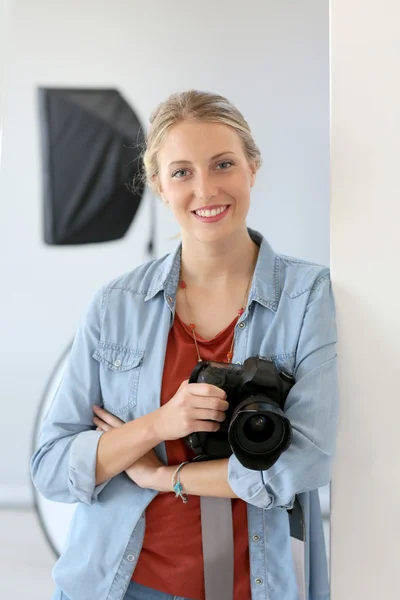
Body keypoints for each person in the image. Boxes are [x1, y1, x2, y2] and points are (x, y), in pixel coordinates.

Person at [31, 90, 339, 600]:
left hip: (255, 586)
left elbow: (305, 463)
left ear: (252, 167)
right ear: (158, 185)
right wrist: (159, 424)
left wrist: (163, 476)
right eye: (181, 172)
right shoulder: (115, 305)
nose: (205, 189)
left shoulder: (307, 298)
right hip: (116, 584)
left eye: (223, 164)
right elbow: (51, 468)